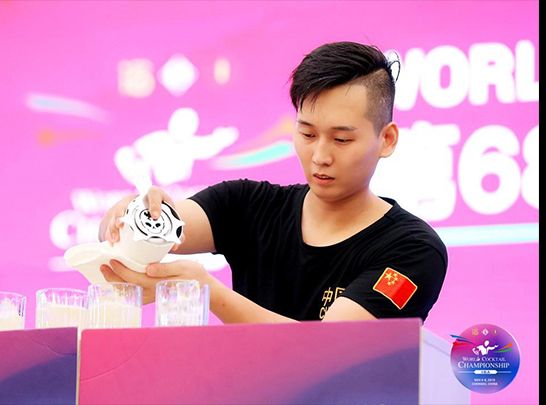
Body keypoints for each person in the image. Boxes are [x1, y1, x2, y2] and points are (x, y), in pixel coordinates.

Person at [97, 41, 448, 324]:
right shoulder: (247, 204)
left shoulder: (413, 250)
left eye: (341, 140)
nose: (320, 156)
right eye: (307, 134)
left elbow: (330, 351)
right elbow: (163, 225)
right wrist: (131, 216)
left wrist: (209, 292)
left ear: (387, 139)